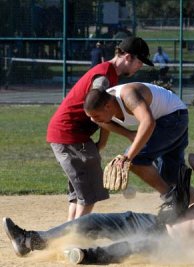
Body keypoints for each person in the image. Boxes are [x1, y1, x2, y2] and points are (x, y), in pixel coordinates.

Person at [2, 153, 194, 265]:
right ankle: (30, 240)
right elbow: (193, 156)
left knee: (134, 247)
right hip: (154, 222)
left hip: (168, 246)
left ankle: (87, 257)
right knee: (93, 221)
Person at [46, 36, 154, 221]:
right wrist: (127, 134)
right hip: (71, 134)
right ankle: (74, 239)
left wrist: (101, 144)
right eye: (140, 61)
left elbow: (105, 114)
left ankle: (67, 236)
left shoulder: (109, 74)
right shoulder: (104, 76)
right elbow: (96, 106)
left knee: (80, 194)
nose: (140, 66)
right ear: (127, 57)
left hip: (70, 135)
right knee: (89, 195)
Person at [83, 82, 194, 202]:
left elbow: (148, 122)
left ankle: (171, 199)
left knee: (135, 159)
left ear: (107, 106)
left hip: (173, 117)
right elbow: (104, 122)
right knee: (171, 177)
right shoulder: (105, 103)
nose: (93, 120)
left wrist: (128, 157)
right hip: (171, 118)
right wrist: (123, 136)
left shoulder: (128, 96)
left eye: (95, 115)